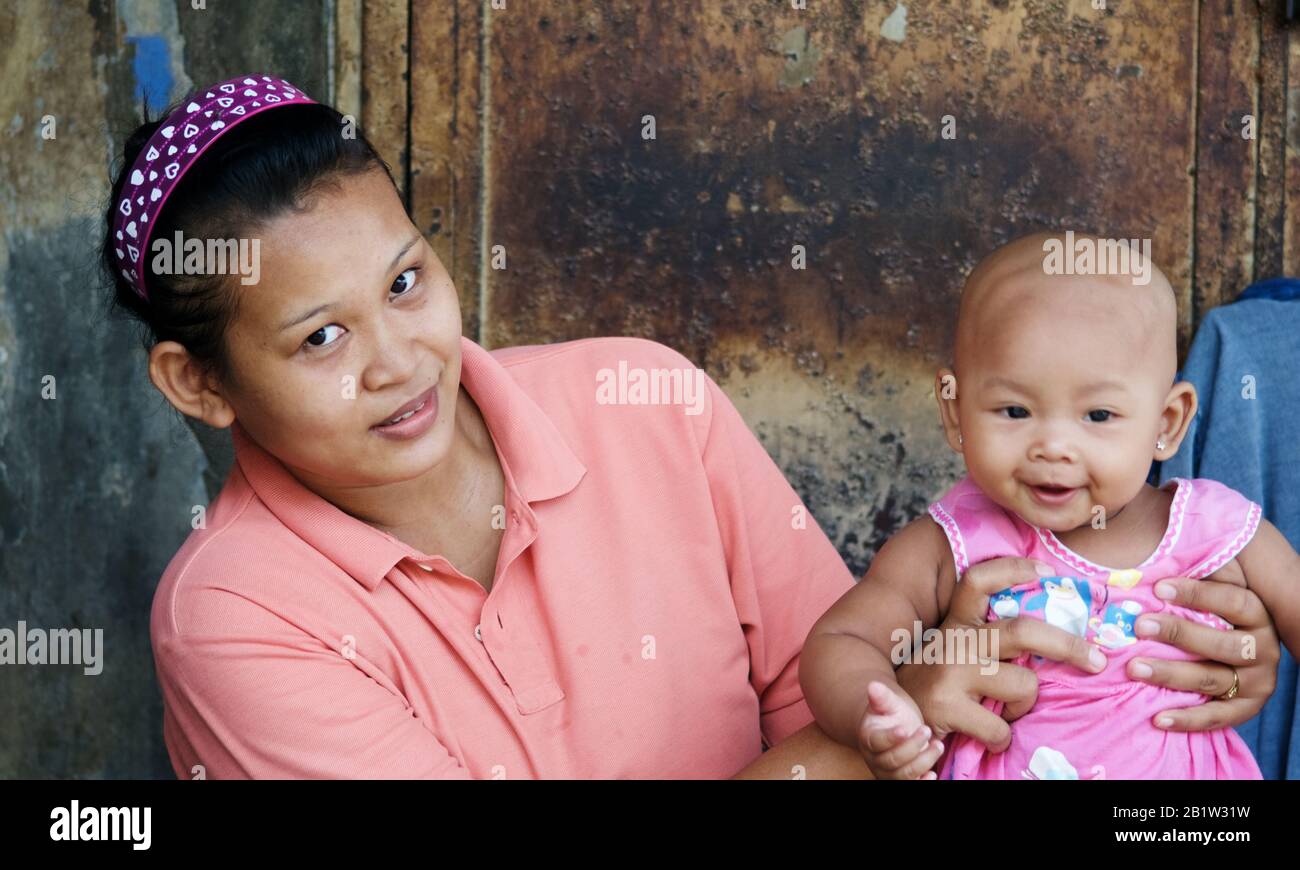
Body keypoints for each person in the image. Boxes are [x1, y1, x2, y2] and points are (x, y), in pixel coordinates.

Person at [104, 77, 1282, 778]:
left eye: (407, 282)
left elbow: (824, 679)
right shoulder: (236, 616)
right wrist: (881, 731)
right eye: (320, 339)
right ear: (197, 386)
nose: (398, 360)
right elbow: (858, 734)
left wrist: (1115, 674)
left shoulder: (642, 401)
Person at [800, 232, 1299, 779]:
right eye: (1015, 410)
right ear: (954, 411)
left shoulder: (1214, 528)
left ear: (1168, 423)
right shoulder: (956, 540)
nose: (1053, 447)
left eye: (1099, 416)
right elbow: (841, 640)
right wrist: (874, 721)